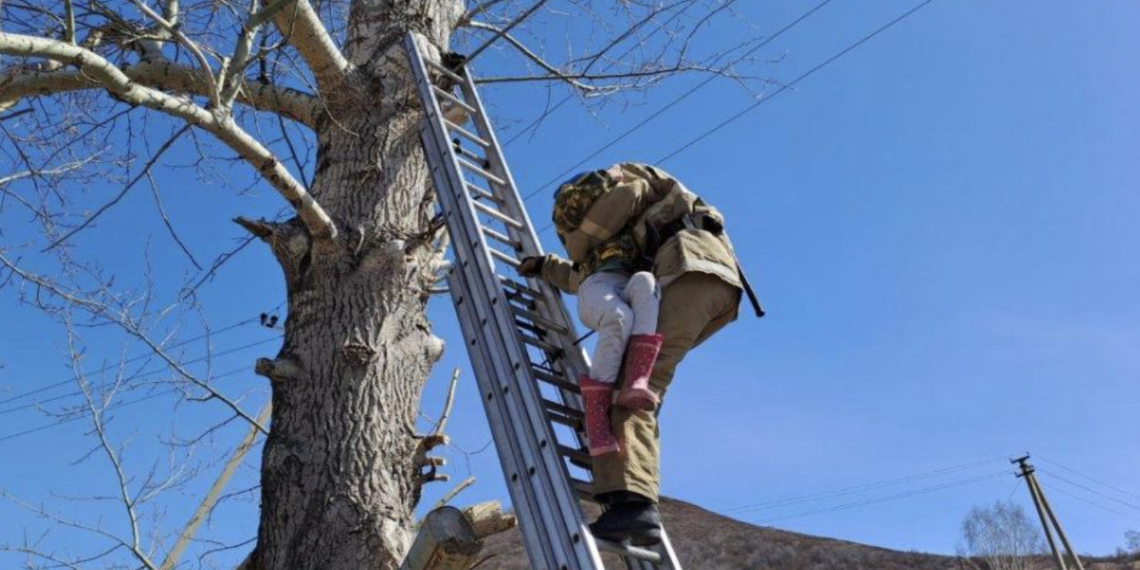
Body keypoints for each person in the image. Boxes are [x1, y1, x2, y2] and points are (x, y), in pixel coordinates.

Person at [519, 163, 762, 546]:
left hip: (686, 269)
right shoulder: (637, 231)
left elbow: (592, 250)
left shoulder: (630, 184)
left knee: (632, 387)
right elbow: (591, 272)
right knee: (647, 379)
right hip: (712, 284)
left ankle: (632, 506)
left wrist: (583, 220)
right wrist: (549, 265)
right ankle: (628, 488)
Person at [518, 167, 665, 458]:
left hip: (627, 281)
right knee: (618, 317)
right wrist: (542, 266)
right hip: (596, 287)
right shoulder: (585, 246)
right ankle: (596, 416)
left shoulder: (631, 234)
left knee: (647, 283)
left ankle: (637, 380)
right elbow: (568, 217)